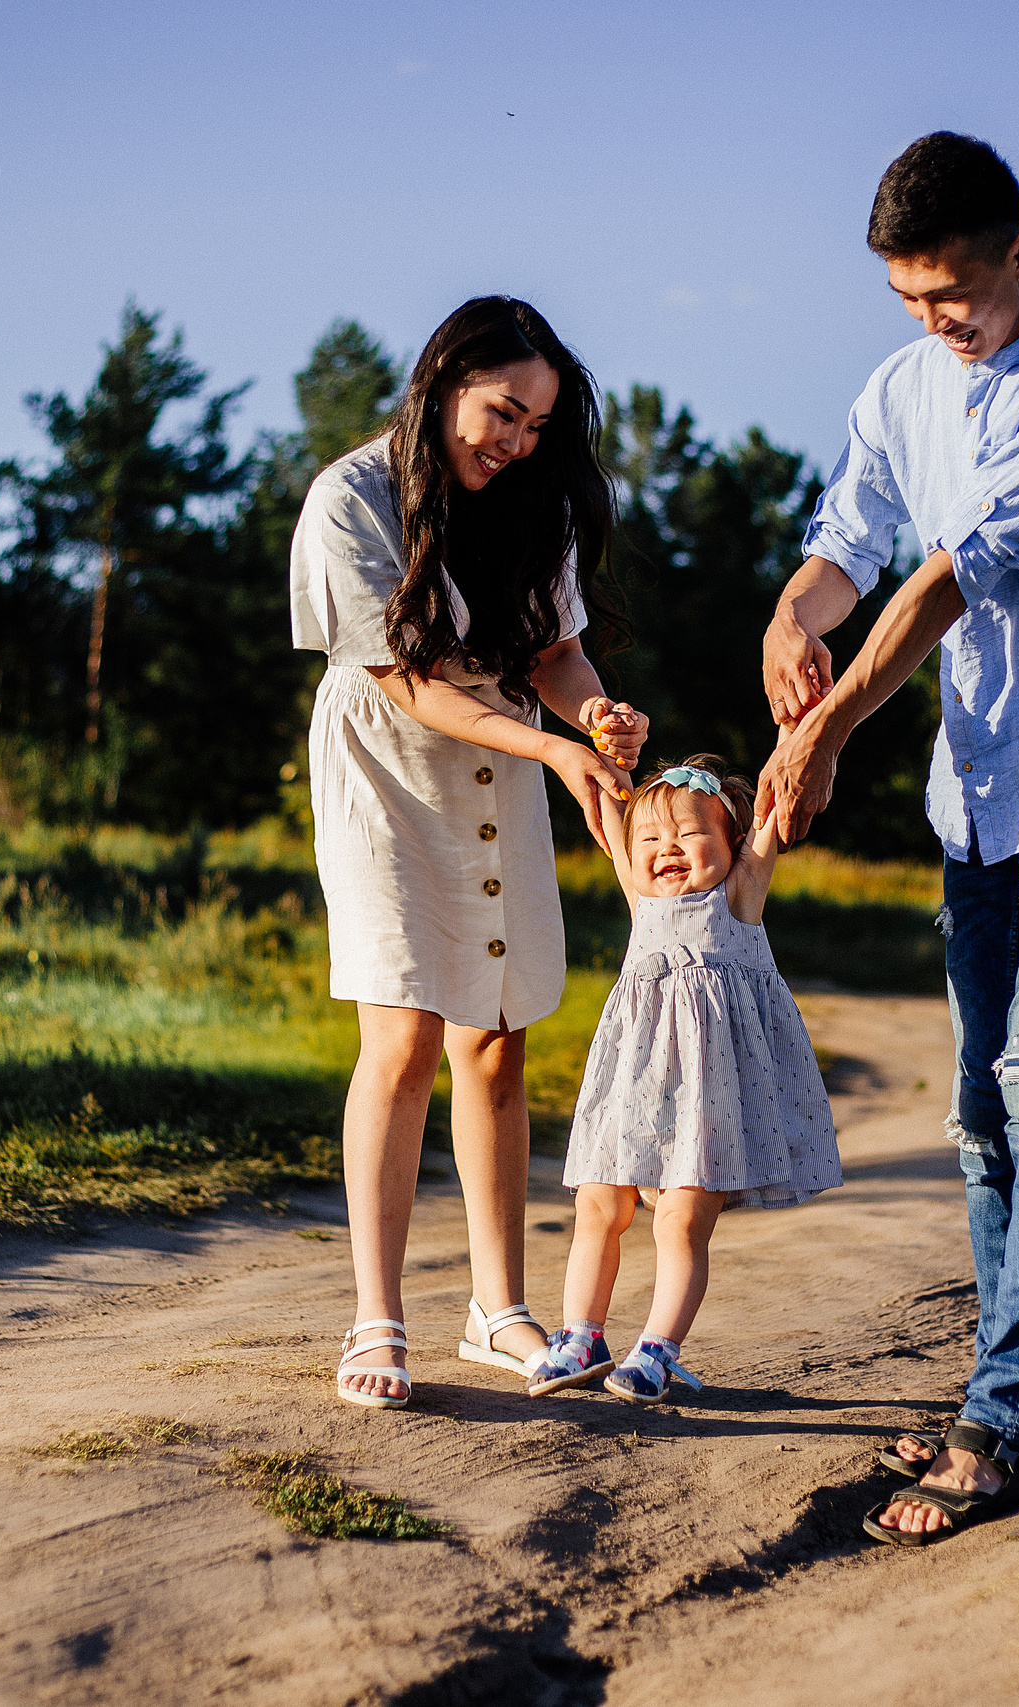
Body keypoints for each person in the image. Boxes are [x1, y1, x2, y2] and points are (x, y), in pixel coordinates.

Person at [752, 133, 1019, 1541]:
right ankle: (999, 1399)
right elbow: (853, 542)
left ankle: (1001, 1422)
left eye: (954, 294)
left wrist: (826, 732)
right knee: (980, 1109)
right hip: (976, 788)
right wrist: (787, 619)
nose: (936, 322)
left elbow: (950, 576)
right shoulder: (899, 385)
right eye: (911, 300)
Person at [290, 295, 650, 1410]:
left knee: (496, 1039)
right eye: (503, 411)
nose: (517, 440)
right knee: (400, 1032)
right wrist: (545, 746)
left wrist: (595, 722)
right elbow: (406, 679)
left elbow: (556, 655)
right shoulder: (348, 499)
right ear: (445, 380)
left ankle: (497, 1311)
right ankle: (375, 1318)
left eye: (537, 425)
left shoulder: (526, 505)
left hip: (503, 757)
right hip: (388, 771)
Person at [528, 754, 843, 1404]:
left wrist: (795, 731)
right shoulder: (642, 899)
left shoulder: (739, 893)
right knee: (598, 1205)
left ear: (731, 841)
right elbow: (607, 806)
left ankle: (656, 1350)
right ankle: (581, 1336)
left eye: (691, 832)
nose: (667, 846)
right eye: (651, 837)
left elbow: (776, 805)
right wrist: (604, 748)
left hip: (709, 1097)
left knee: (678, 1222)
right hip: (629, 1089)